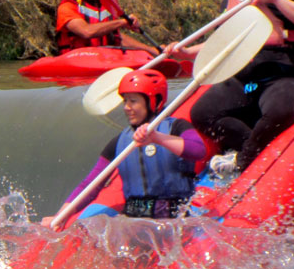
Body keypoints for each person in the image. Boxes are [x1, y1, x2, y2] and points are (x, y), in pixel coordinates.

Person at [165, 0, 294, 173]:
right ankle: (251, 147)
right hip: (248, 79)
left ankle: (243, 160)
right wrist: (185, 52)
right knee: (202, 114)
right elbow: (222, 44)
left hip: (283, 72)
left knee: (279, 111)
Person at [42, 69, 206, 229]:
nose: (126, 107)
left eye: (133, 101)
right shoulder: (119, 142)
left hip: (175, 213)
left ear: (154, 102)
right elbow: (90, 185)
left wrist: (156, 138)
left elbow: (198, 150)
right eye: (125, 101)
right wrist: (61, 215)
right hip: (135, 216)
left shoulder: (176, 127)